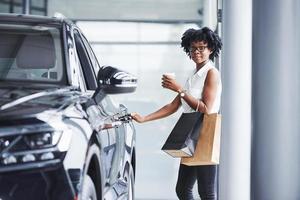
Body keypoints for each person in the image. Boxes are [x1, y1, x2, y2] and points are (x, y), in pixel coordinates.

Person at [131, 27, 222, 200]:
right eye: (193, 48)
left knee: (207, 192)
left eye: (201, 48)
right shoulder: (194, 75)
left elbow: (206, 108)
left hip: (204, 132)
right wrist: (144, 118)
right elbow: (173, 106)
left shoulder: (212, 73)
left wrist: (179, 89)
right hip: (191, 132)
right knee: (182, 189)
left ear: (210, 49)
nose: (196, 52)